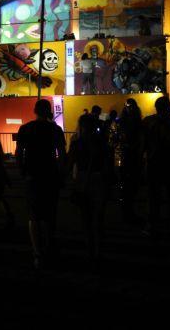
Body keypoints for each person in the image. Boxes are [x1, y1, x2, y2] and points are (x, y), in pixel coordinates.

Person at [16, 99, 66, 269]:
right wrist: (61, 175)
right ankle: (49, 245)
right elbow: (62, 154)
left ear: (34, 110)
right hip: (50, 175)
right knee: (50, 214)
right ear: (49, 111)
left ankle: (37, 252)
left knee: (33, 215)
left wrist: (22, 171)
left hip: (32, 175)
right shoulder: (56, 130)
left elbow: (18, 153)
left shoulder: (25, 129)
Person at [69, 113, 111, 264]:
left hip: (82, 180)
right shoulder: (101, 143)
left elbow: (70, 162)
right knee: (98, 217)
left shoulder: (76, 143)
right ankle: (98, 249)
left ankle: (90, 249)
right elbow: (107, 164)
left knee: (85, 217)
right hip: (99, 179)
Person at [142, 96, 170, 237]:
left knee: (153, 196)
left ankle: (152, 224)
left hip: (154, 162)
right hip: (169, 163)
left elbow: (142, 142)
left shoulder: (148, 122)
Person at [117, 98, 143, 224]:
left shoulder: (137, 122)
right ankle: (127, 212)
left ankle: (129, 211)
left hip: (133, 155)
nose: (129, 108)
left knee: (132, 185)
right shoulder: (122, 122)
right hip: (126, 156)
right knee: (127, 185)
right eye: (128, 106)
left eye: (131, 106)